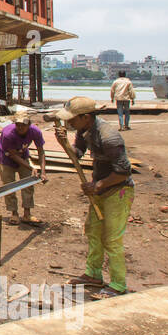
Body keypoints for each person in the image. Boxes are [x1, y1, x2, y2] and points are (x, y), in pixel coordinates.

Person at [52, 96, 134, 299]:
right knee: (94, 232)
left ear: (86, 117)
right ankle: (93, 274)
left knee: (112, 239)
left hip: (118, 191)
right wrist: (64, 144)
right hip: (99, 190)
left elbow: (123, 171)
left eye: (72, 119)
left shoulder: (109, 137)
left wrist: (98, 185)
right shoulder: (84, 130)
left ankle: (118, 284)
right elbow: (77, 154)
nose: (69, 123)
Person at [0, 109, 47, 224]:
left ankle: (27, 214)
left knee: (28, 184)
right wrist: (32, 168)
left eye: (23, 125)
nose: (20, 128)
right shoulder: (8, 133)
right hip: (6, 159)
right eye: (18, 125)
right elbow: (13, 156)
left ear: (29, 124)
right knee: (9, 186)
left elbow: (41, 152)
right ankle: (14, 213)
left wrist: (43, 171)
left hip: (23, 156)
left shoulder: (35, 132)